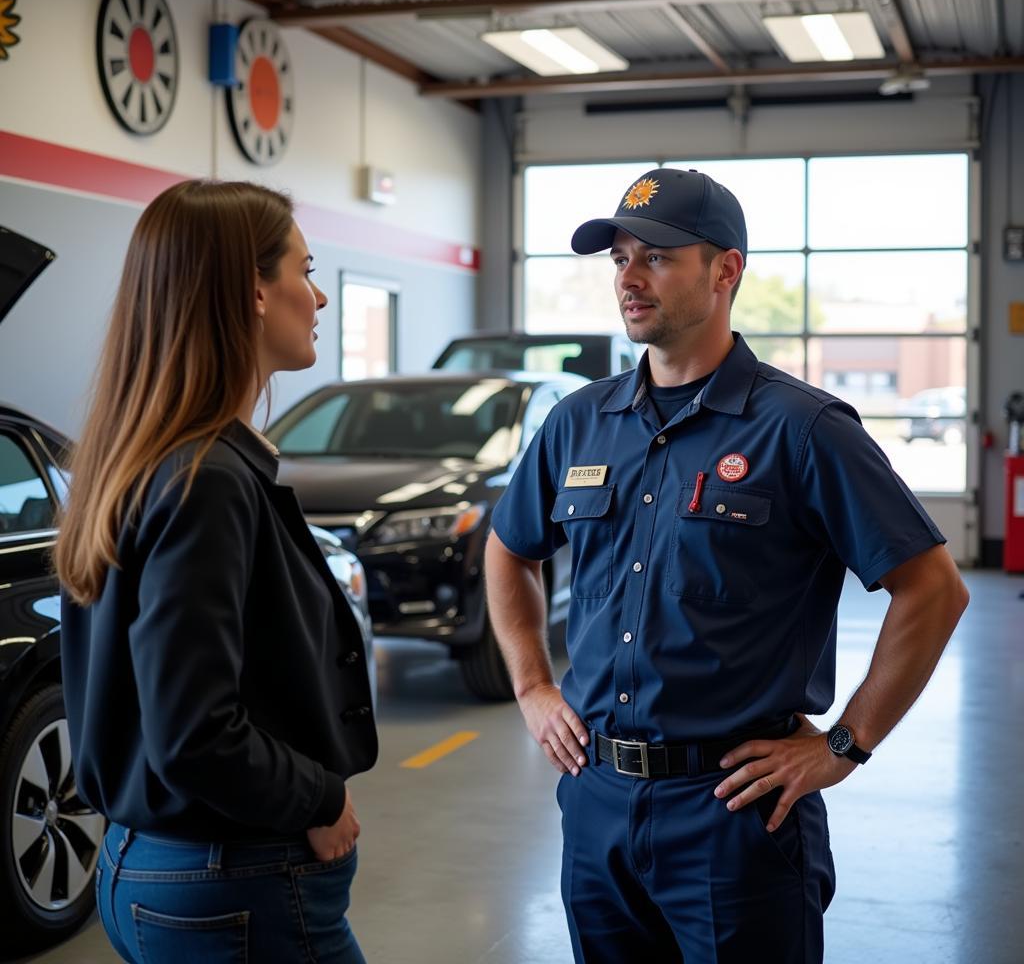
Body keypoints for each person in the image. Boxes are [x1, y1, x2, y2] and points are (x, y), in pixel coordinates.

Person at [484, 167, 969, 964]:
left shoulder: (803, 428)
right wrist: (534, 687)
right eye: (619, 259)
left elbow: (933, 589)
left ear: (726, 271)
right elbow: (510, 548)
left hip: (735, 814)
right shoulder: (579, 422)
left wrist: (845, 743)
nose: (629, 279)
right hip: (597, 801)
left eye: (658, 257)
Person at [56, 180, 377, 963]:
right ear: (253, 291)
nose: (320, 297)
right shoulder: (208, 479)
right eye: (305, 269)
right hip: (233, 880)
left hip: (150, 861)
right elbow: (196, 730)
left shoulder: (146, 461)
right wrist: (318, 795)